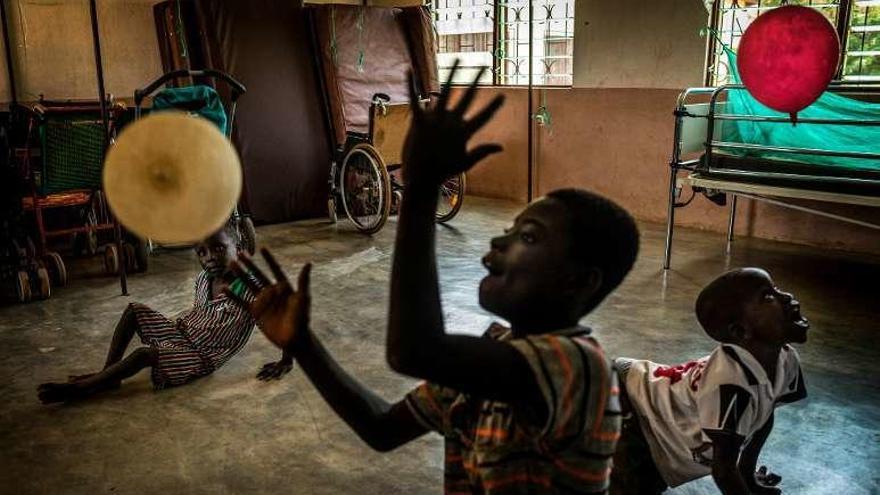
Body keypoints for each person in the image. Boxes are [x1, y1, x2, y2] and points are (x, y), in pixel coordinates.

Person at [229, 62, 640, 494]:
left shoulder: (578, 367)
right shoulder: (488, 357)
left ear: (580, 281)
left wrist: (422, 186)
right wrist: (303, 345)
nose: (500, 241)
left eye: (528, 236)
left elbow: (413, 351)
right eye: (510, 228)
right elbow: (383, 428)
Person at [37, 219, 290, 404]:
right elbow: (200, 314)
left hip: (201, 355)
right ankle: (109, 374)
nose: (209, 258)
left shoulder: (251, 290)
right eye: (201, 252)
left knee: (144, 354)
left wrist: (285, 361)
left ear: (240, 248)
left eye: (218, 249)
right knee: (134, 310)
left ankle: (85, 388)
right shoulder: (204, 279)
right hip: (181, 332)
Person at [611, 268, 808, 495]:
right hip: (624, 397)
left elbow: (764, 415)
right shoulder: (730, 385)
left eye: (776, 288)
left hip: (644, 398)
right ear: (740, 331)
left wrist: (747, 476)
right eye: (768, 296)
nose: (786, 296)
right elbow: (723, 471)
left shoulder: (786, 358)